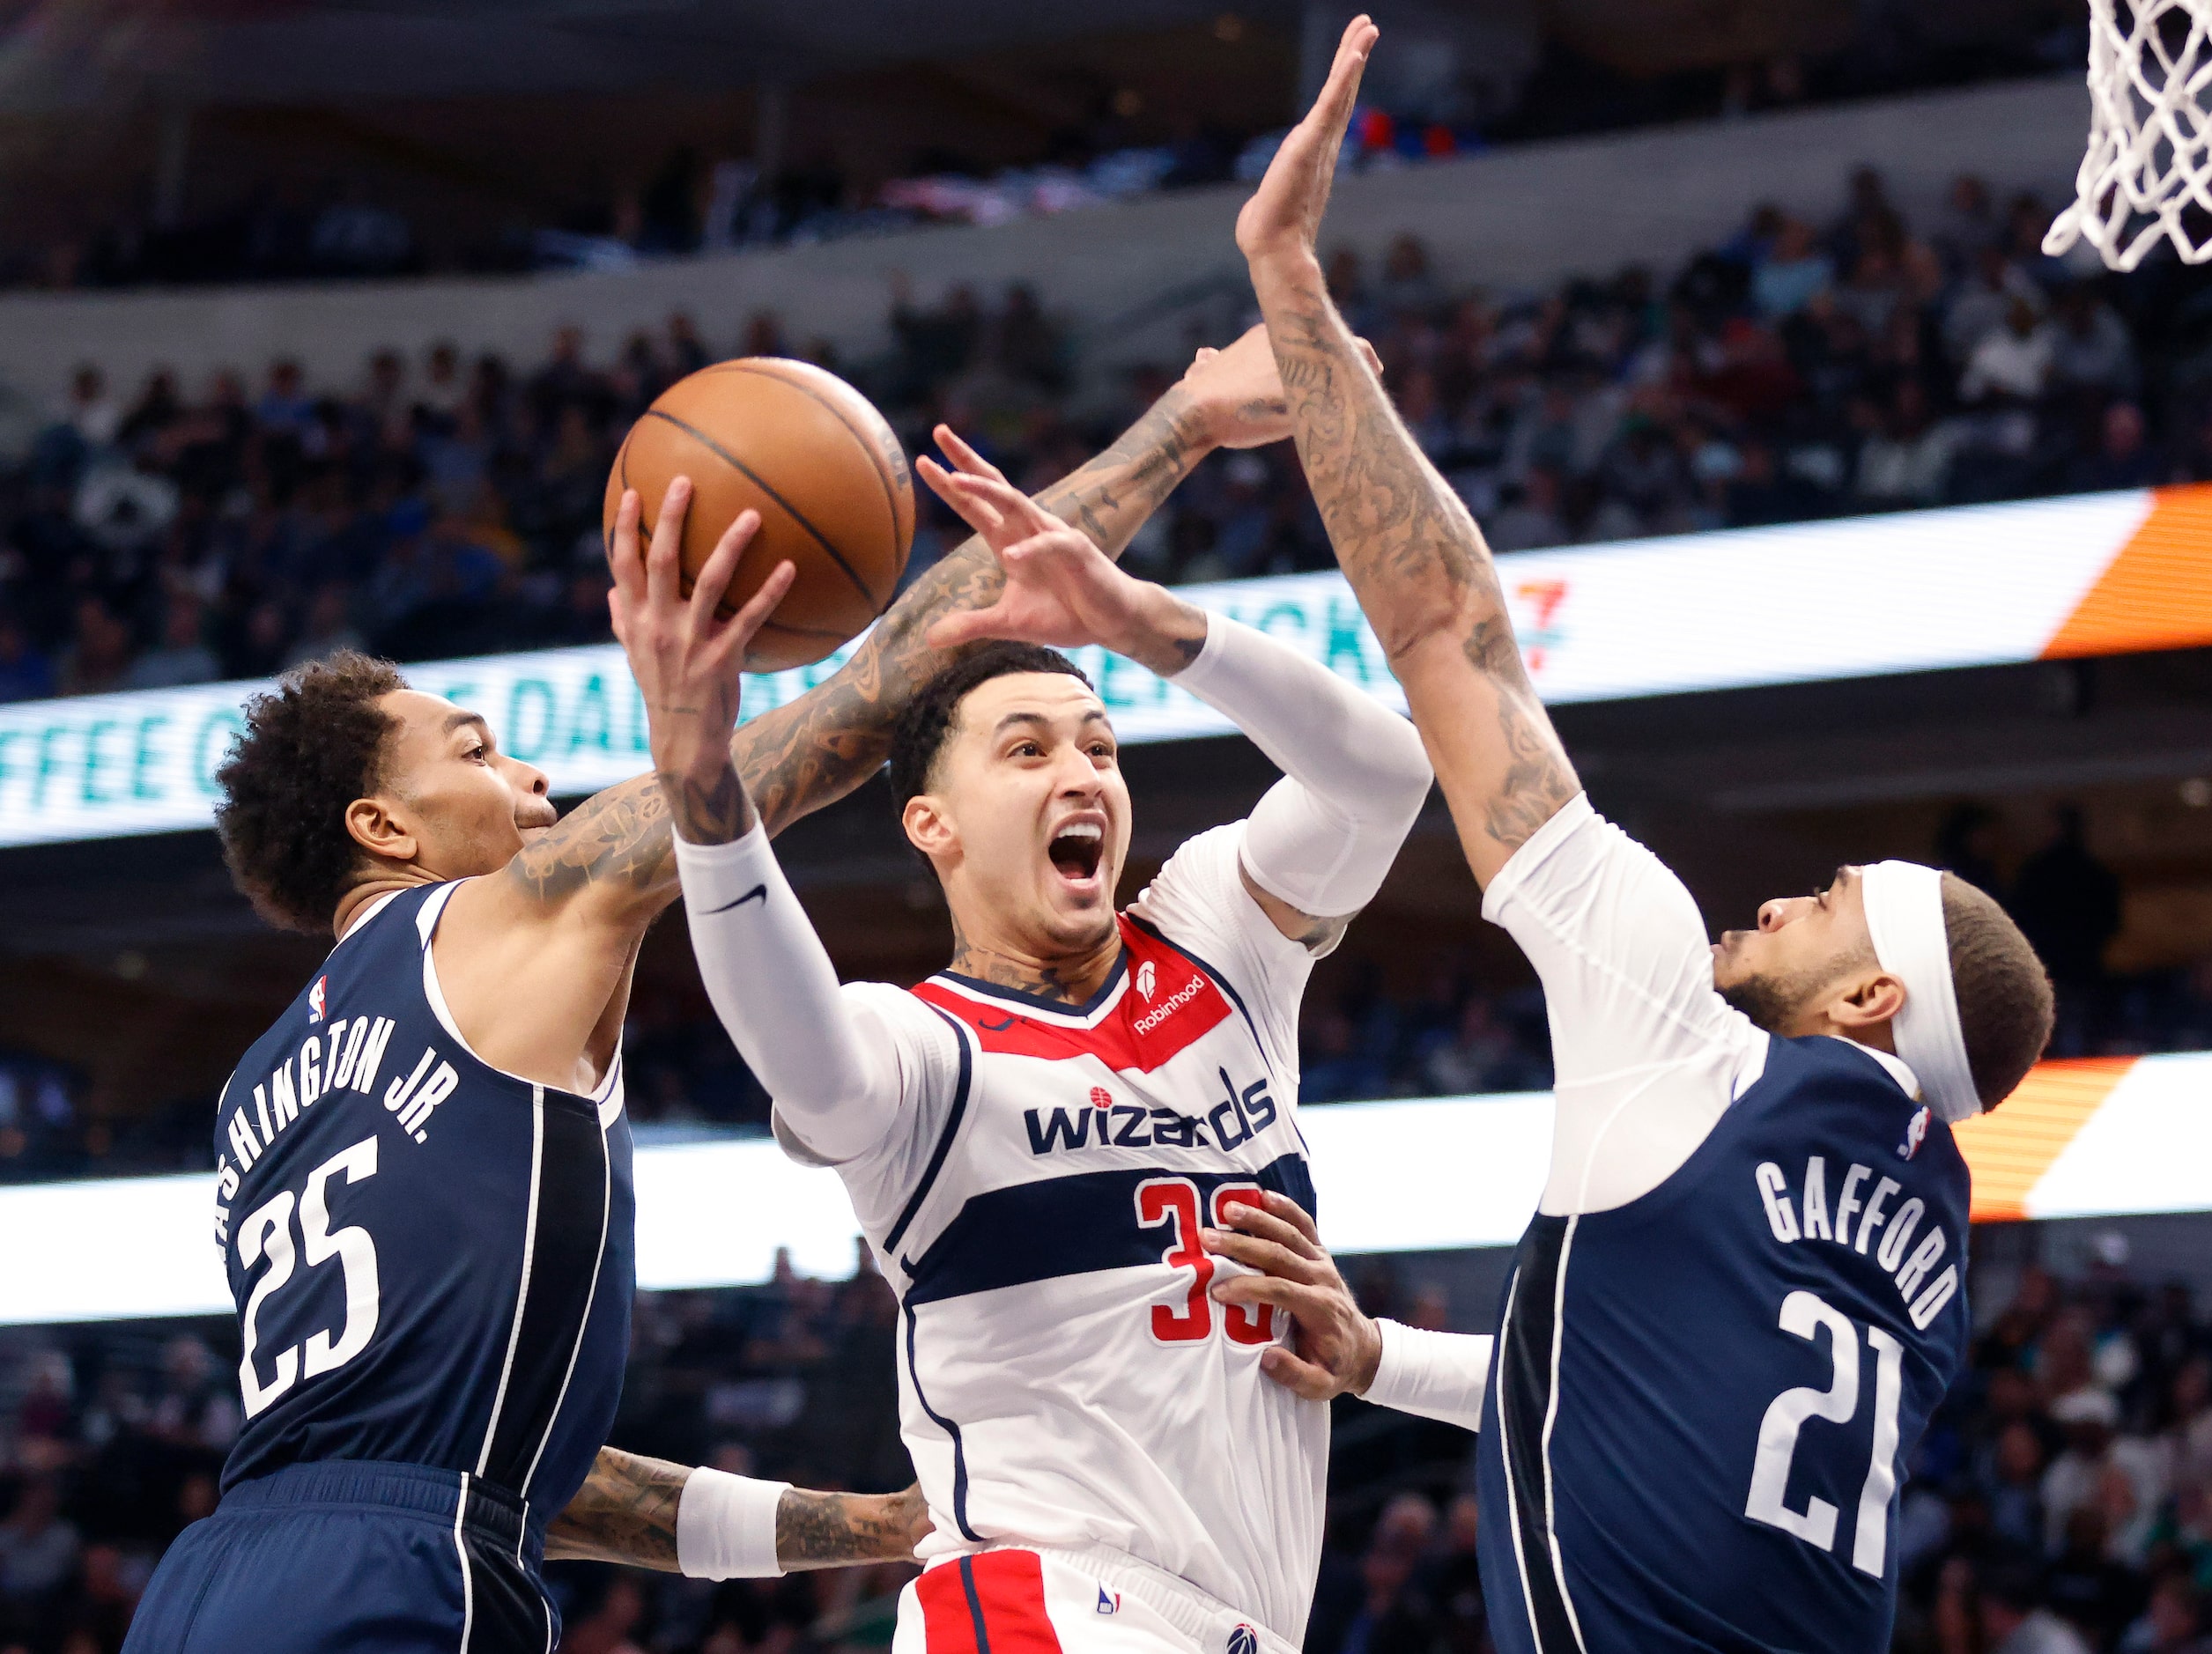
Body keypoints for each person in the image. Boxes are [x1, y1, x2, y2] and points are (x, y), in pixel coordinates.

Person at [122, 331, 1293, 1654]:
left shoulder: (254, 1093)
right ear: (385, 826)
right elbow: (879, 688)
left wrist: (856, 1524)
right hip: (398, 1578)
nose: (527, 772)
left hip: (215, 1582)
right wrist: (1181, 428)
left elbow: (510, 1471)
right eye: (474, 746)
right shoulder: (514, 910)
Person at [1203, 18, 2057, 1654]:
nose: (1776, 901)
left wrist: (1290, 286)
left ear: (1869, 999)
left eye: (1824, 904)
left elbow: (1453, 630)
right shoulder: (1926, 1250)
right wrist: (1384, 1360)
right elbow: (1634, 1379)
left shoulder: (1690, 1034)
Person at [641, 449, 1432, 1644]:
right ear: (933, 824)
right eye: (1028, 750)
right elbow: (799, 1050)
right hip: (1046, 1606)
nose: (1082, 774)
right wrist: (707, 795)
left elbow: (1385, 779)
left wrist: (1142, 621)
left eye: (1101, 748)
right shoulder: (917, 1047)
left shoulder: (1220, 938)